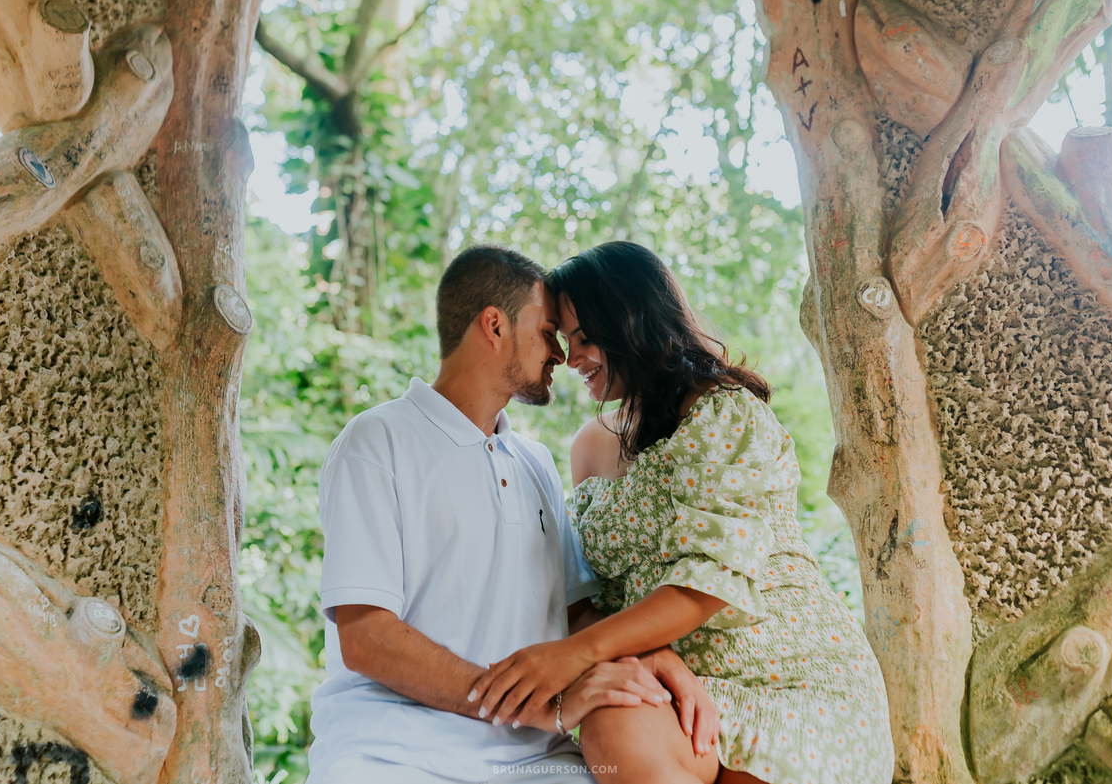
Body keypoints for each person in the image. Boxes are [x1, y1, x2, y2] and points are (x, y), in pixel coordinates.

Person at [469, 241, 895, 784]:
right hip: (667, 679)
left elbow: (707, 583)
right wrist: (632, 655)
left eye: (584, 338)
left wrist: (573, 655)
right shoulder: (589, 447)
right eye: (564, 340)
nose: (570, 359)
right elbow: (592, 591)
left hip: (789, 674)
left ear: (631, 321)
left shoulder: (725, 412)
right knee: (611, 728)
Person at [306, 243, 718, 784]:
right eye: (548, 332)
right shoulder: (376, 441)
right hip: (392, 750)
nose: (561, 355)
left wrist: (655, 655)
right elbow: (366, 637)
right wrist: (538, 706)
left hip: (541, 758)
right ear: (494, 325)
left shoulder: (536, 462)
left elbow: (574, 612)